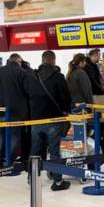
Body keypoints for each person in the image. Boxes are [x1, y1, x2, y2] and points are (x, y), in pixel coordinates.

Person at [27, 51, 72, 191]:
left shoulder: (32, 76)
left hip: (35, 119)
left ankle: (31, 177)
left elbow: (29, 96)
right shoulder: (58, 77)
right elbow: (66, 97)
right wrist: (65, 110)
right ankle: (57, 182)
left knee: (35, 150)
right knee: (54, 151)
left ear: (42, 60)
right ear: (53, 60)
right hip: (54, 119)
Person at [0, 53, 29, 166]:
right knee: (14, 136)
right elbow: (27, 90)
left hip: (1, 109)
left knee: (1, 135)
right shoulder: (22, 72)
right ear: (18, 61)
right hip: (17, 109)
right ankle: (9, 162)